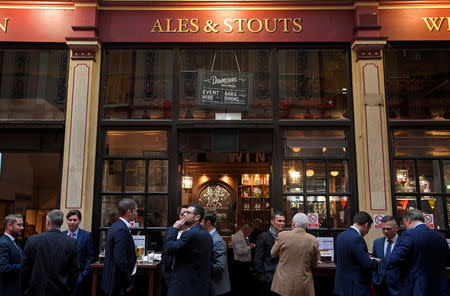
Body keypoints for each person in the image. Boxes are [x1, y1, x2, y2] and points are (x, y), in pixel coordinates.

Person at [382, 210, 450, 296]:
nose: (405, 227)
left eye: (404, 224)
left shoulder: (408, 235)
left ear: (409, 221)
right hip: (440, 288)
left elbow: (394, 260)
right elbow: (447, 262)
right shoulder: (439, 236)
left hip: (417, 288)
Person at [20, 209, 79, 296]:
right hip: (60, 290)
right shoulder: (71, 243)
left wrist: (26, 289)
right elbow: (74, 272)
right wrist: (68, 289)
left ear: (47, 222)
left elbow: (25, 269)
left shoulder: (32, 240)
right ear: (61, 223)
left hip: (35, 290)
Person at [164, 203, 213, 296]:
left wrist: (174, 229)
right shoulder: (207, 234)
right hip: (199, 284)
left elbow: (169, 248)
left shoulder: (190, 233)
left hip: (185, 284)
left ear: (197, 217)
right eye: (184, 212)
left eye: (188, 212)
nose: (184, 215)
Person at [271, 213, 319, 296]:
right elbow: (314, 263)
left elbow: (273, 254)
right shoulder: (313, 240)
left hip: (283, 283)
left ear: (293, 224)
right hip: (303, 283)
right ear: (306, 226)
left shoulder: (282, 235)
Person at [333, 211, 379, 296]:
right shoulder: (358, 239)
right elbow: (367, 264)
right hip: (356, 287)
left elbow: (336, 260)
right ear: (366, 225)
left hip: (341, 285)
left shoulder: (340, 236)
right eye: (369, 228)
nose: (367, 232)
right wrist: (376, 261)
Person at [101, 198, 138, 296]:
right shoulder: (121, 230)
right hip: (118, 285)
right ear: (129, 212)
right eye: (135, 211)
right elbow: (120, 260)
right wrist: (128, 283)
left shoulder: (116, 226)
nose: (137, 213)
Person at [62, 210, 95, 296]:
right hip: (63, 277)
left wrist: (84, 274)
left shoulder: (87, 236)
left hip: (79, 276)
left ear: (79, 221)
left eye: (75, 220)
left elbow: (91, 257)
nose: (72, 222)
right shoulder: (62, 235)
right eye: (70, 220)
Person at [254, 211, 285, 295]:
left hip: (282, 279)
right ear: (272, 222)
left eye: (283, 221)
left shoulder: (285, 237)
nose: (282, 223)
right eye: (279, 221)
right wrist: (263, 277)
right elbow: (257, 260)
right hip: (268, 279)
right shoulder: (263, 237)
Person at [201, 210, 231, 296]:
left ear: (208, 223)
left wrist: (201, 266)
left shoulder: (217, 241)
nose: (199, 224)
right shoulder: (208, 237)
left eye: (201, 221)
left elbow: (220, 266)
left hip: (217, 288)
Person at [371, 215, 400, 296]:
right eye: (383, 229)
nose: (386, 231)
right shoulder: (377, 243)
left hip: (398, 286)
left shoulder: (403, 242)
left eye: (389, 229)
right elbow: (374, 261)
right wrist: (375, 279)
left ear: (396, 228)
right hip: (380, 285)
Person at [0, 214, 24, 296]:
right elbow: (3, 267)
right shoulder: (3, 243)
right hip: (8, 290)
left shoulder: (16, 241)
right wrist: (24, 266)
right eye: (19, 225)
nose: (22, 228)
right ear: (9, 225)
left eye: (22, 225)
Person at [231, 223, 254, 295]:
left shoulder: (245, 236)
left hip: (245, 264)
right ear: (245, 229)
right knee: (241, 285)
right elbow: (240, 252)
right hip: (240, 265)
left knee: (246, 285)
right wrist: (250, 247)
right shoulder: (237, 237)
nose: (250, 233)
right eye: (250, 231)